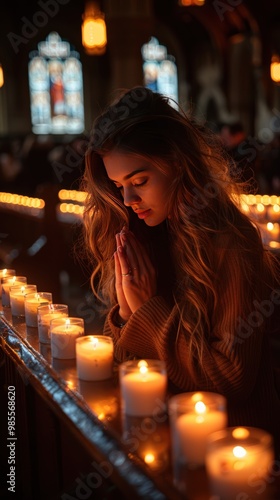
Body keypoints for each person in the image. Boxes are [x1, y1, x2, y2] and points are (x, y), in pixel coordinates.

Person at [81, 87, 280, 451]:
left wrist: (144, 313)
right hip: (163, 436)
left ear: (178, 162)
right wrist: (127, 314)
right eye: (118, 186)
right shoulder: (142, 238)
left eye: (139, 181)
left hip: (230, 446)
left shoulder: (229, 242)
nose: (128, 200)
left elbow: (232, 379)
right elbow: (132, 371)